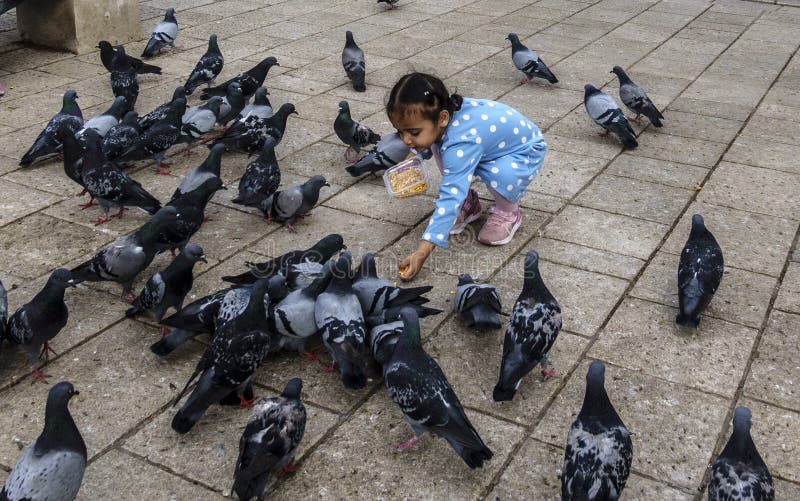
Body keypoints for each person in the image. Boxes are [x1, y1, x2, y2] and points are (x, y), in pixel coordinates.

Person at [387, 72, 547, 281]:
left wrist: (422, 251)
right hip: (489, 147)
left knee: (499, 174)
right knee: (445, 151)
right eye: (401, 132)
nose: (406, 139)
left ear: (443, 117)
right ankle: (470, 203)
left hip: (523, 151)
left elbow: (451, 191)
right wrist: (415, 154)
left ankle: (508, 212)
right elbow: (432, 141)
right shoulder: (442, 122)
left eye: (413, 133)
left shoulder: (462, 139)